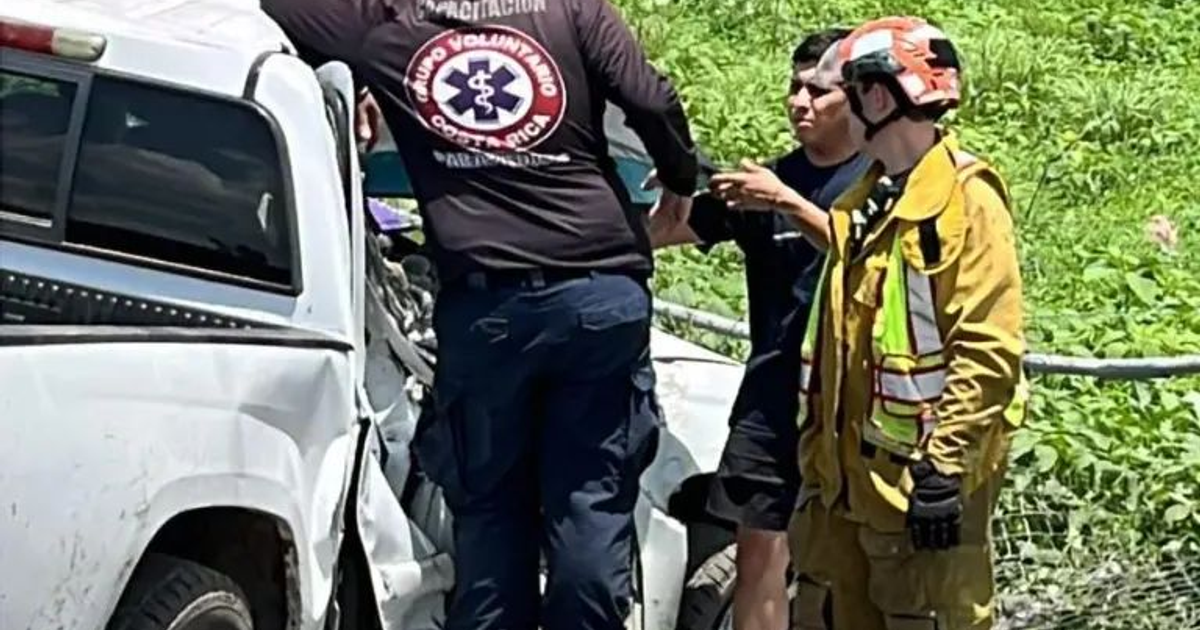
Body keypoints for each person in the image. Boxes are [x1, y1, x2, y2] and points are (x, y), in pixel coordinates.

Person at [257, 1, 700, 629]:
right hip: (601, 294)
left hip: (487, 308)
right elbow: (650, 99)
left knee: (491, 507)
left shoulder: (385, 25)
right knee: (590, 500)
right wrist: (679, 176)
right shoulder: (573, 9)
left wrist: (349, 74)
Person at [787, 16, 1030, 629]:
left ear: (876, 96)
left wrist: (943, 471)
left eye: (844, 91)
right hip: (846, 494)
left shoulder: (964, 203)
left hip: (917, 496)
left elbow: (988, 352)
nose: (829, 107)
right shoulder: (866, 200)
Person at [649, 28, 869, 630]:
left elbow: (873, 261)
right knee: (758, 559)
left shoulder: (882, 183)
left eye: (818, 91)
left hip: (855, 404)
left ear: (858, 100)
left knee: (855, 563)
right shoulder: (769, 180)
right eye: (794, 87)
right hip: (772, 401)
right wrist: (659, 189)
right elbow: (664, 231)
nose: (800, 101)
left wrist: (787, 206)